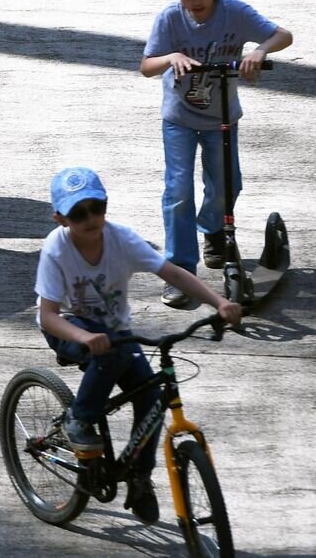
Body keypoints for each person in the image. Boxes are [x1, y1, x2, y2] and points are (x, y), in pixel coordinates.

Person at [36, 166, 242, 525]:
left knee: (151, 396)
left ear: (105, 205)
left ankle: (138, 477)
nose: (89, 218)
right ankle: (79, 419)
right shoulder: (56, 248)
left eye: (95, 208)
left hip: (115, 332)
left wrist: (217, 302)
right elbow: (48, 317)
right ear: (61, 218)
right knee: (112, 351)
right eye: (77, 213)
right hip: (68, 328)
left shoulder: (121, 239)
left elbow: (172, 273)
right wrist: (84, 337)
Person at [140, 0, 293, 308]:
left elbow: (282, 35)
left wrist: (259, 50)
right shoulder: (169, 19)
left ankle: (212, 230)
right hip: (178, 118)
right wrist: (171, 56)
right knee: (178, 191)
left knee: (226, 183)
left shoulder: (235, 13)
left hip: (222, 116)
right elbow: (147, 66)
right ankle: (180, 269)